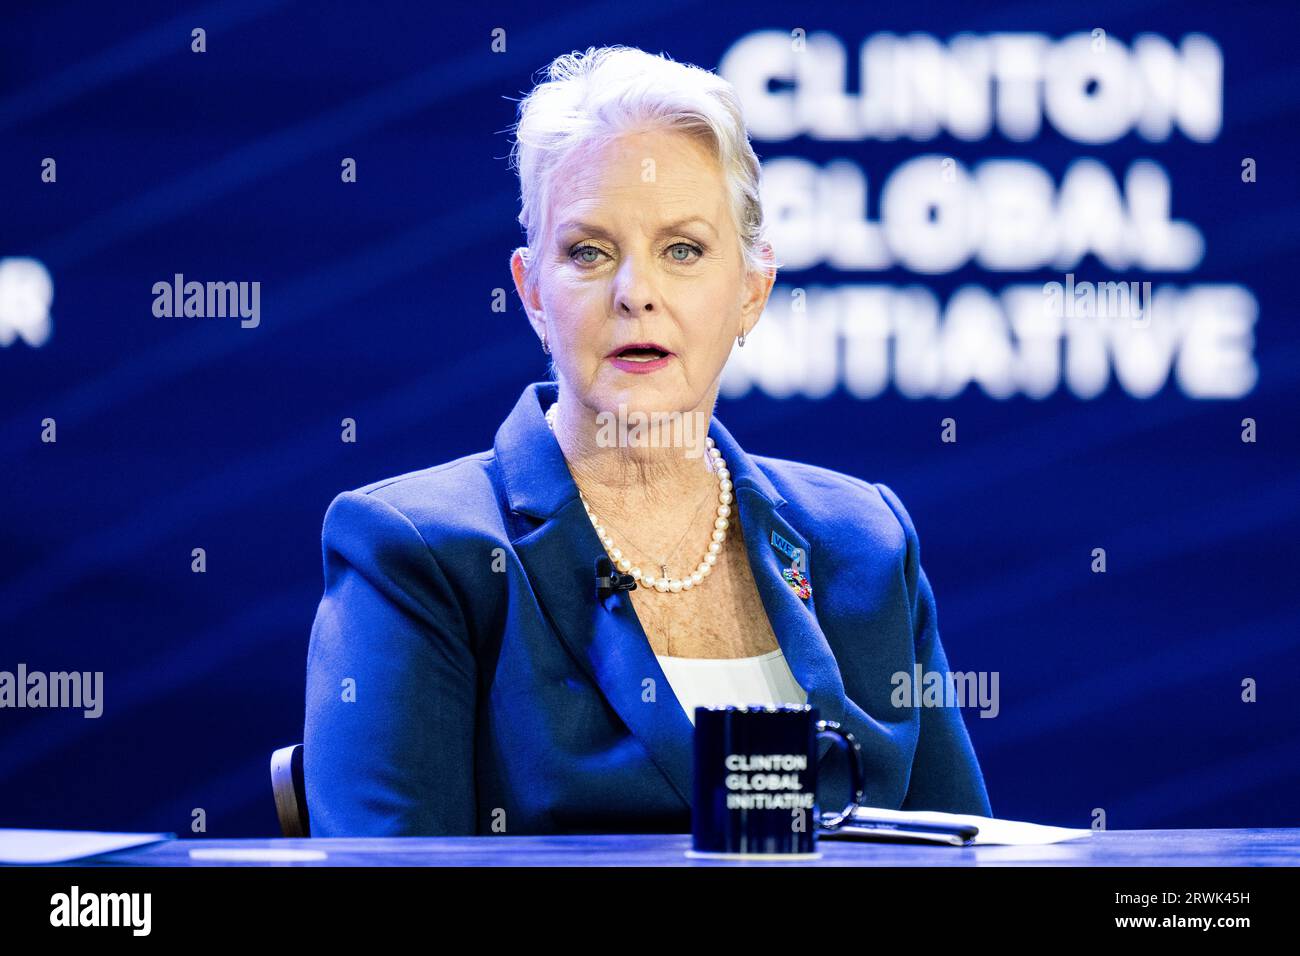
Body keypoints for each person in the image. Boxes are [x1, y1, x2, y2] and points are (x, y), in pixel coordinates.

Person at [304, 45, 991, 836]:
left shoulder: (863, 541)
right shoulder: (420, 554)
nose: (637, 294)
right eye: (589, 252)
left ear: (752, 291)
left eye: (684, 250)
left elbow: (964, 848)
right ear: (532, 292)